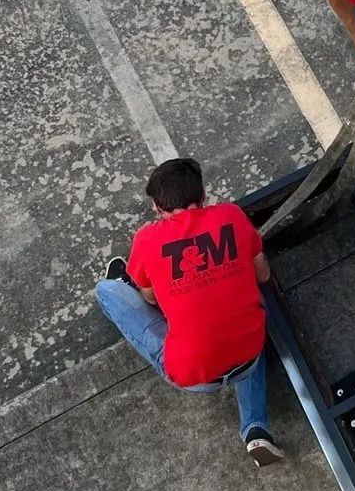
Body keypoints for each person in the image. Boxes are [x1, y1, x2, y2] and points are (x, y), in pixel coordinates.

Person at [95, 156, 285, 468]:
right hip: (249, 352)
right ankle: (255, 427)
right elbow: (262, 275)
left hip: (192, 373)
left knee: (107, 292)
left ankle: (119, 281)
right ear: (204, 196)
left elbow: (151, 299)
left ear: (158, 208)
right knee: (243, 330)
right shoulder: (232, 216)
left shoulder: (147, 239)